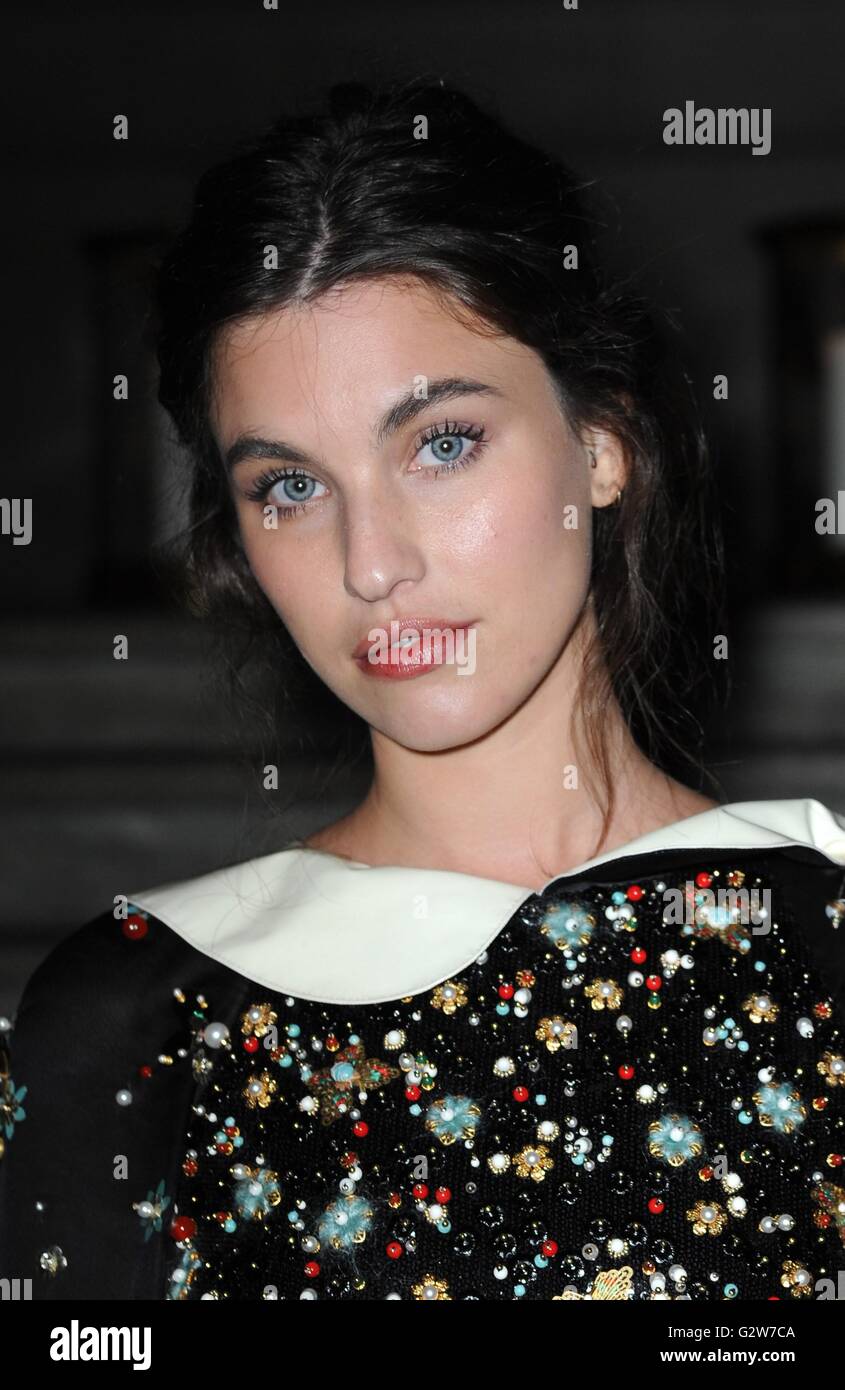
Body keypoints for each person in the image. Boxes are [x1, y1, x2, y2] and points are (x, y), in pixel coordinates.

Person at [2, 78, 844, 1302]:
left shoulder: (818, 940)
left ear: (601, 445)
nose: (370, 563)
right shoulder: (133, 1013)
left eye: (440, 443)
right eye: (289, 487)